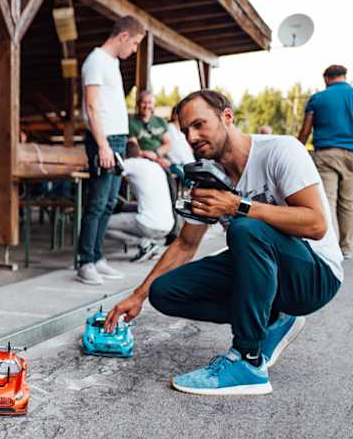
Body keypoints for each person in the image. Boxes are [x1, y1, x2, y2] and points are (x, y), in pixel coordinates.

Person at [107, 90, 342, 396]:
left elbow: (316, 224)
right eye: (186, 130)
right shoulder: (208, 178)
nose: (192, 136)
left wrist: (237, 206)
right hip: (266, 269)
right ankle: (272, 318)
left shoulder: (281, 151)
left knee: (244, 229)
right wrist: (139, 295)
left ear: (227, 117)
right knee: (164, 293)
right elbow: (185, 244)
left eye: (199, 124)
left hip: (315, 275)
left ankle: (248, 361)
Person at [77, 15, 146, 285]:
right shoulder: (95, 61)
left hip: (117, 140)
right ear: (123, 36)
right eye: (135, 43)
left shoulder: (112, 63)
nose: (134, 49)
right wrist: (103, 145)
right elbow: (92, 106)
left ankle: (97, 257)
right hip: (103, 140)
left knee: (108, 203)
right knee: (96, 202)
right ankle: (85, 262)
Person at [299, 64, 353, 258]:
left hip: (327, 154)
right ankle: (347, 248)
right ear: (344, 77)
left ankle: (331, 249)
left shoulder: (318, 98)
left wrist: (298, 149)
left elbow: (306, 130)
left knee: (327, 200)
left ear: (326, 79)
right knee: (348, 203)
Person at [105, 140, 174, 262]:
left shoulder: (129, 163)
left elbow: (110, 173)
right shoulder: (154, 165)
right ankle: (154, 244)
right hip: (168, 225)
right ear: (140, 152)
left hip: (149, 225)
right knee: (131, 207)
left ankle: (144, 243)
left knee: (102, 224)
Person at [128, 90, 172, 170]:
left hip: (161, 158)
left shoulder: (160, 121)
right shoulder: (132, 123)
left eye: (149, 102)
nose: (146, 106)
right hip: (143, 161)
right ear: (138, 104)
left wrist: (157, 154)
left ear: (153, 105)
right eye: (143, 102)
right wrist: (153, 158)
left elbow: (168, 144)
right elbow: (134, 149)